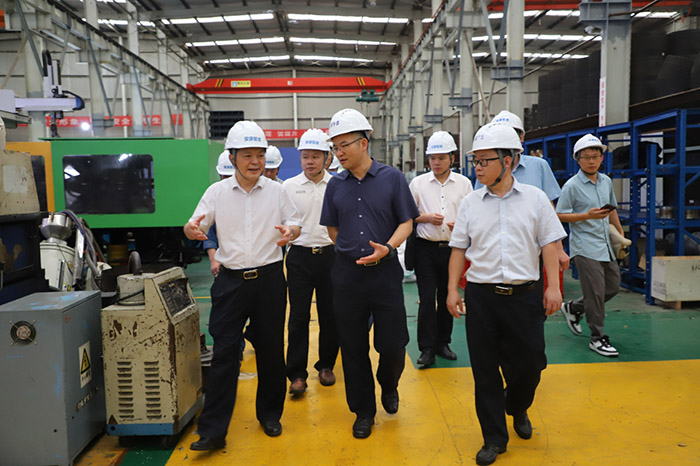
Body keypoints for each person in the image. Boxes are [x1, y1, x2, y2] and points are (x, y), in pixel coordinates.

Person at [446, 123, 566, 466]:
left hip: (525, 297)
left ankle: (517, 405)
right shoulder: (470, 203)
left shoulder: (536, 199)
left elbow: (549, 245)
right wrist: (452, 289)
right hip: (482, 298)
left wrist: (553, 287)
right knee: (484, 370)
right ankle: (494, 438)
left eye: (485, 161)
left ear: (509, 161)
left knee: (531, 364)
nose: (478, 167)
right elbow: (458, 249)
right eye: (476, 161)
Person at [184, 121, 301, 451]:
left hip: (270, 281)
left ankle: (270, 415)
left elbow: (295, 223)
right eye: (247, 155)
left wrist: (291, 232)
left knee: (270, 352)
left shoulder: (277, 191)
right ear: (232, 157)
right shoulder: (217, 192)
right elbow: (195, 223)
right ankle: (213, 431)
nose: (255, 161)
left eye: (259, 155)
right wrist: (190, 229)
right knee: (224, 354)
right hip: (230, 283)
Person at [320, 108, 419, 439]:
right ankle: (363, 411)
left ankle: (388, 383)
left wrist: (387, 248)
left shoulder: (392, 178)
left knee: (393, 343)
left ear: (363, 143)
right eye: (335, 147)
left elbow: (407, 222)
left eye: (344, 145)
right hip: (347, 275)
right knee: (352, 346)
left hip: (385, 272)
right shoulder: (335, 185)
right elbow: (332, 229)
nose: (338, 153)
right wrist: (351, 251)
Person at [556, 134, 624, 357]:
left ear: (602, 158)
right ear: (577, 159)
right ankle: (597, 338)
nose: (591, 161)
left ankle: (574, 308)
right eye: (586, 157)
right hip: (584, 246)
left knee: (612, 286)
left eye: (595, 156)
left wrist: (620, 234)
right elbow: (560, 215)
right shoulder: (572, 186)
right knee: (595, 293)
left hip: (605, 244)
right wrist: (586, 215)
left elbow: (611, 210)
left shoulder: (605, 182)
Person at [409, 131, 473, 367]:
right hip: (425, 248)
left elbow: (473, 214)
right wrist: (425, 218)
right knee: (427, 298)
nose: (436, 163)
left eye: (441, 158)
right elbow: (407, 215)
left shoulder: (464, 184)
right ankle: (426, 348)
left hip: (453, 250)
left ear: (452, 159)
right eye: (432, 158)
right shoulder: (418, 184)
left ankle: (442, 342)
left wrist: (461, 225)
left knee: (448, 295)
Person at [283, 128, 339, 395]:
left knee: (331, 315)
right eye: (305, 156)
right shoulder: (288, 186)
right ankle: (296, 374)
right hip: (299, 258)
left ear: (327, 158)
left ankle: (326, 365)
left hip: (331, 256)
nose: (310, 161)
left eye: (316, 156)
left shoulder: (338, 184)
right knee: (298, 316)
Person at [203, 150, 235, 277]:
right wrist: (213, 260)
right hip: (225, 263)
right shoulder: (214, 195)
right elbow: (209, 235)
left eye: (230, 177)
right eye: (225, 177)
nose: (227, 181)